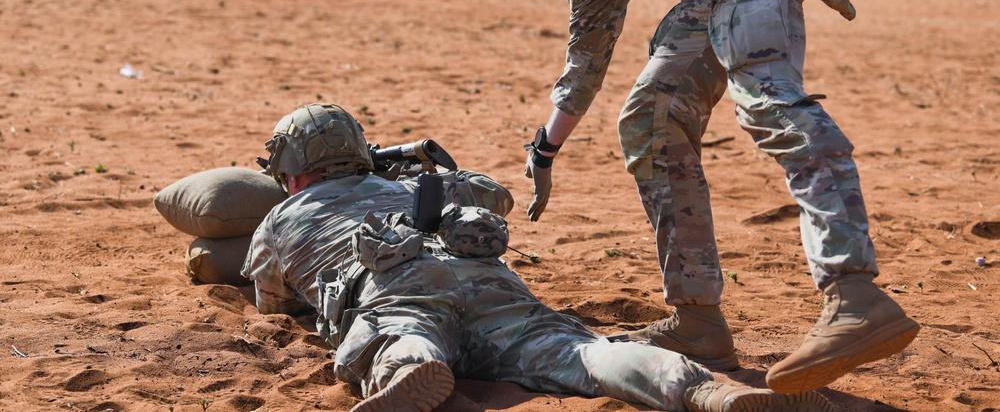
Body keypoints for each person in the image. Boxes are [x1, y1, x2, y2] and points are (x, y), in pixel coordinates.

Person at [429, 0, 919, 394]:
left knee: (764, 94)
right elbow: (587, 56)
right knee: (650, 117)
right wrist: (544, 148)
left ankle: (853, 290)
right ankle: (699, 323)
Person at [241, 102, 835, 412]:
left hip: (394, 285)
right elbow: (495, 194)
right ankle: (712, 395)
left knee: (401, 331)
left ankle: (407, 367)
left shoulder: (276, 220)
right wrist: (417, 173)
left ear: (289, 169)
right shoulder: (412, 189)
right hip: (484, 278)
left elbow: (273, 304)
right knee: (587, 354)